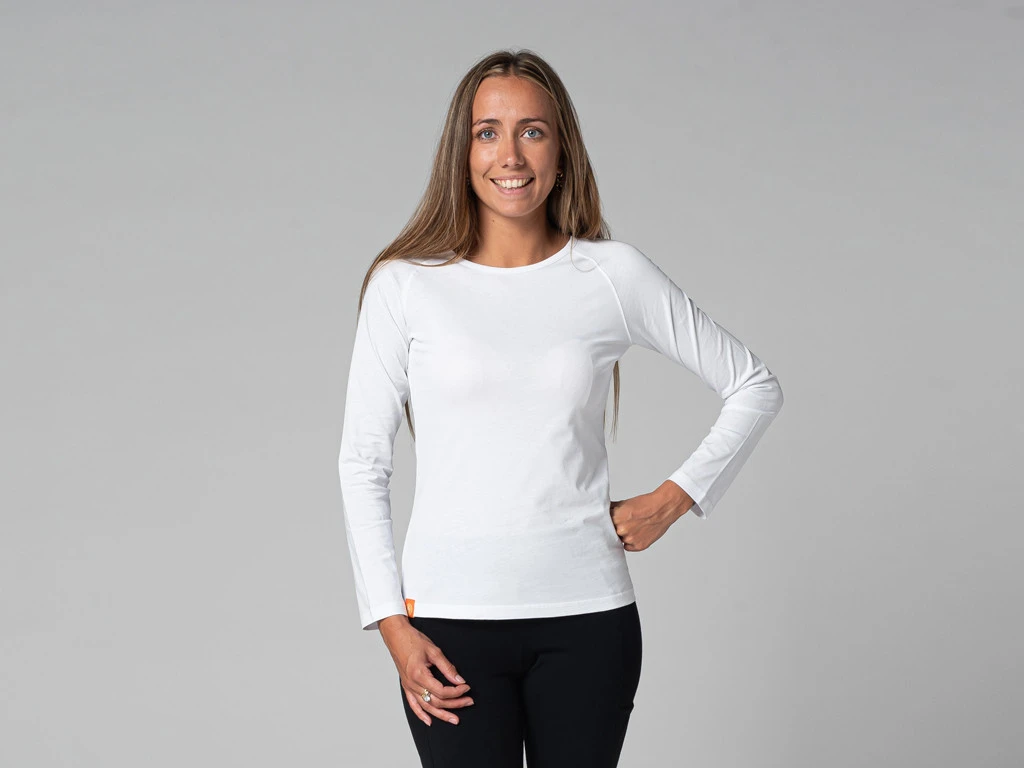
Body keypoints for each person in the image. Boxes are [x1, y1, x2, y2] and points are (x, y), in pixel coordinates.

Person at [337, 48, 784, 768]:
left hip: (588, 622)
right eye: (488, 132)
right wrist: (391, 622)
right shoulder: (405, 286)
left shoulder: (611, 274)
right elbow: (363, 461)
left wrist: (675, 498)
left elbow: (754, 385)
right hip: (447, 625)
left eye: (533, 131)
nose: (510, 155)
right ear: (461, 152)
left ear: (562, 149)